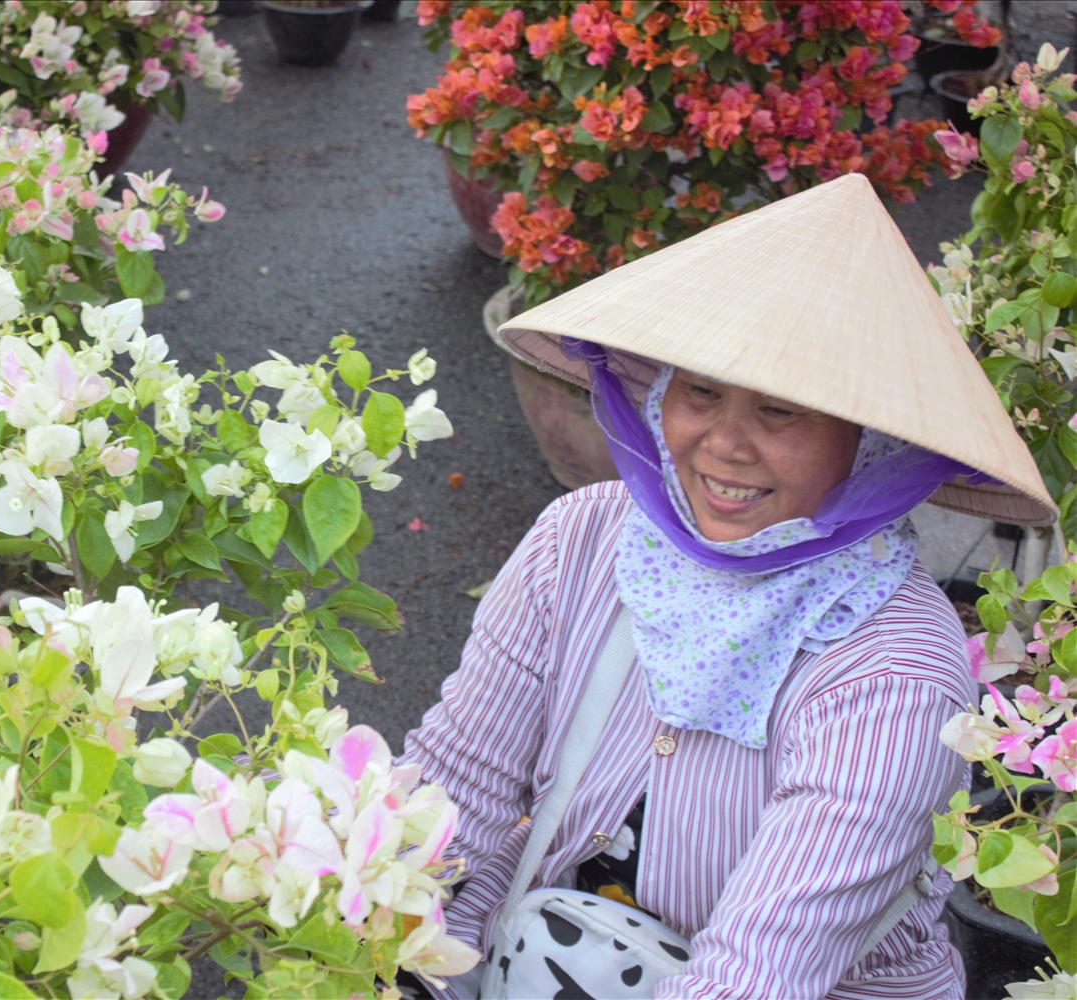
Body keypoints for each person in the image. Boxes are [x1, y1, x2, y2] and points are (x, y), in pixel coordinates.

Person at [399, 173, 1055, 999]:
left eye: (782, 411)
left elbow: (758, 973)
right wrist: (404, 955)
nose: (724, 444)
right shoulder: (583, 539)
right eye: (700, 391)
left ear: (871, 442)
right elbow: (456, 789)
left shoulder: (896, 674)